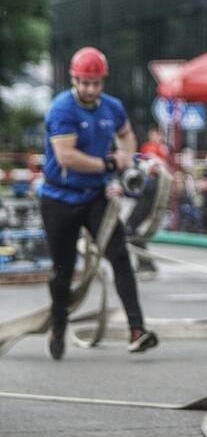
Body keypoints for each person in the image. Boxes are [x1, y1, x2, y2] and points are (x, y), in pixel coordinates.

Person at [38, 46, 159, 360]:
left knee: (119, 256)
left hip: (95, 197)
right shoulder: (61, 109)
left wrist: (128, 161)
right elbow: (67, 156)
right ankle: (59, 324)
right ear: (74, 79)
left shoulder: (112, 107)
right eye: (85, 83)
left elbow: (127, 133)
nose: (91, 90)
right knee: (63, 271)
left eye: (96, 83)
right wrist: (109, 164)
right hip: (59, 199)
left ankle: (137, 329)